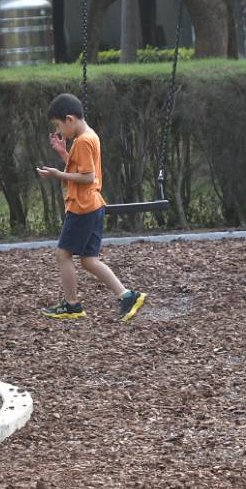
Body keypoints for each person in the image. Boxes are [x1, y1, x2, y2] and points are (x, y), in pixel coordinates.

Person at [34, 92, 147, 321]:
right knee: (88, 260)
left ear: (70, 119)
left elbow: (87, 177)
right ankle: (127, 296)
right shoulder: (88, 136)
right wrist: (63, 153)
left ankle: (72, 305)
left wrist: (58, 174)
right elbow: (82, 169)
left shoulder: (84, 141)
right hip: (93, 206)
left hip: (82, 207)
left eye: (58, 125)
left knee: (62, 254)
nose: (59, 132)